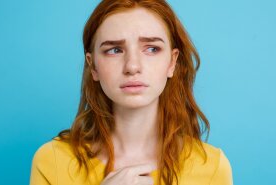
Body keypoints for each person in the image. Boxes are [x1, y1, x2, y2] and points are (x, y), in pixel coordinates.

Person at [30, 0, 233, 184]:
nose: (132, 66)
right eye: (114, 50)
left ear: (172, 62)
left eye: (152, 49)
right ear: (93, 66)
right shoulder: (52, 160)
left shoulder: (212, 167)